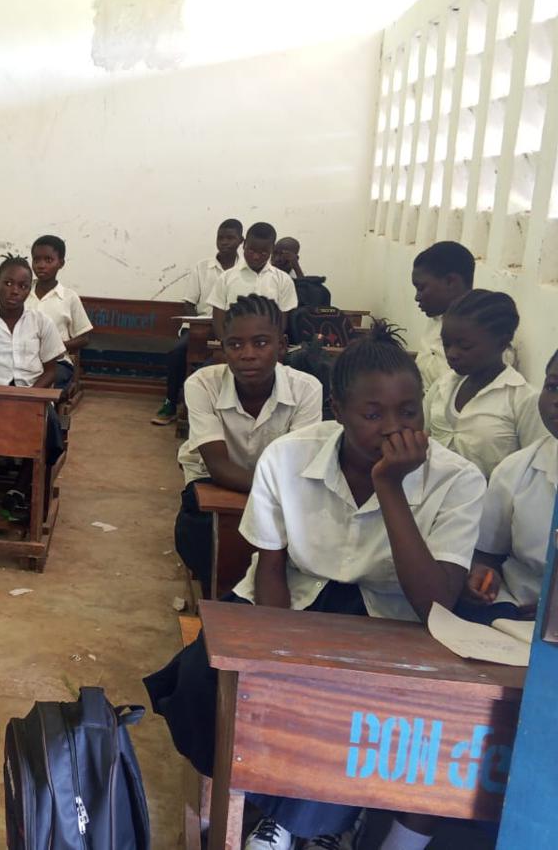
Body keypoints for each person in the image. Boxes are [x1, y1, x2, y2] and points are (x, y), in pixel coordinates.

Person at [144, 322, 485, 850]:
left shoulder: (458, 479)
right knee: (206, 683)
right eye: (372, 414)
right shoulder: (288, 456)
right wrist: (281, 660)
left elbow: (435, 603)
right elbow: (271, 568)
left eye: (408, 412)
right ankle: (280, 805)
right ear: (337, 410)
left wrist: (390, 486)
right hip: (292, 596)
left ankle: (318, 821)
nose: (393, 428)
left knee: (357, 706)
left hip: (392, 617)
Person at [174, 295, 322, 592]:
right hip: (215, 482)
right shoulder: (202, 384)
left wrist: (274, 497)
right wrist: (272, 493)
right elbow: (218, 466)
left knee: (306, 534)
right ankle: (217, 595)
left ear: (282, 345)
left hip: (283, 487)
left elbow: (297, 466)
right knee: (200, 532)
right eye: (235, 344)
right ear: (223, 348)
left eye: (261, 343)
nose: (248, 354)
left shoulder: (306, 389)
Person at [0, 255, 66, 524]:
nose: (14, 291)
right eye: (8, 283)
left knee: (47, 428)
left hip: (32, 396)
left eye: (22, 286)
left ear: (29, 290)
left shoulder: (41, 322)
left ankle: (19, 489)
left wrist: (31, 396)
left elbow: (51, 370)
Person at [459, 348, 558, 623]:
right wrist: (481, 576)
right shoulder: (516, 470)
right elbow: (487, 556)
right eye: (553, 387)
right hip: (517, 616)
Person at [424, 289, 546, 479]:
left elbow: (536, 471)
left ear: (502, 343)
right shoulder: (442, 387)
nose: (452, 353)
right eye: (446, 344)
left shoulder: (523, 400)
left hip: (492, 498)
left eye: (465, 346)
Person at [153, 218, 242, 425]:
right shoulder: (202, 268)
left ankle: (217, 407)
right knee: (177, 352)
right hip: (202, 326)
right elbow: (189, 303)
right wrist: (198, 322)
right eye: (220, 237)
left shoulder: (244, 271)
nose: (224, 242)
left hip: (233, 328)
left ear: (241, 241)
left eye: (230, 238)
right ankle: (170, 402)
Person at [205, 222, 297, 340]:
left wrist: (270, 345)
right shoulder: (226, 278)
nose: (256, 257)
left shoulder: (283, 280)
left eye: (263, 252)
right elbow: (218, 318)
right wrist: (225, 343)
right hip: (233, 343)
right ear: (244, 245)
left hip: (266, 344)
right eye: (251, 251)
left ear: (272, 249)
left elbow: (282, 322)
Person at [25, 234, 93, 392]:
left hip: (57, 361)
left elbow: (84, 338)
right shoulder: (22, 291)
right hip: (22, 359)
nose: (41, 265)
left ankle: (40, 405)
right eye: (36, 260)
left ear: (60, 263)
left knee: (51, 379)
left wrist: (56, 346)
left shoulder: (69, 297)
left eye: (48, 260)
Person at [411, 240, 475, 391]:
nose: (417, 297)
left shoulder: (483, 332)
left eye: (421, 288)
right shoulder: (435, 319)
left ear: (451, 282)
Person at [272, 236, 332, 308]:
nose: (277, 259)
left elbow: (305, 298)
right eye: (274, 253)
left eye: (283, 255)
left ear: (295, 258)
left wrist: (296, 267)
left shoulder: (302, 279)